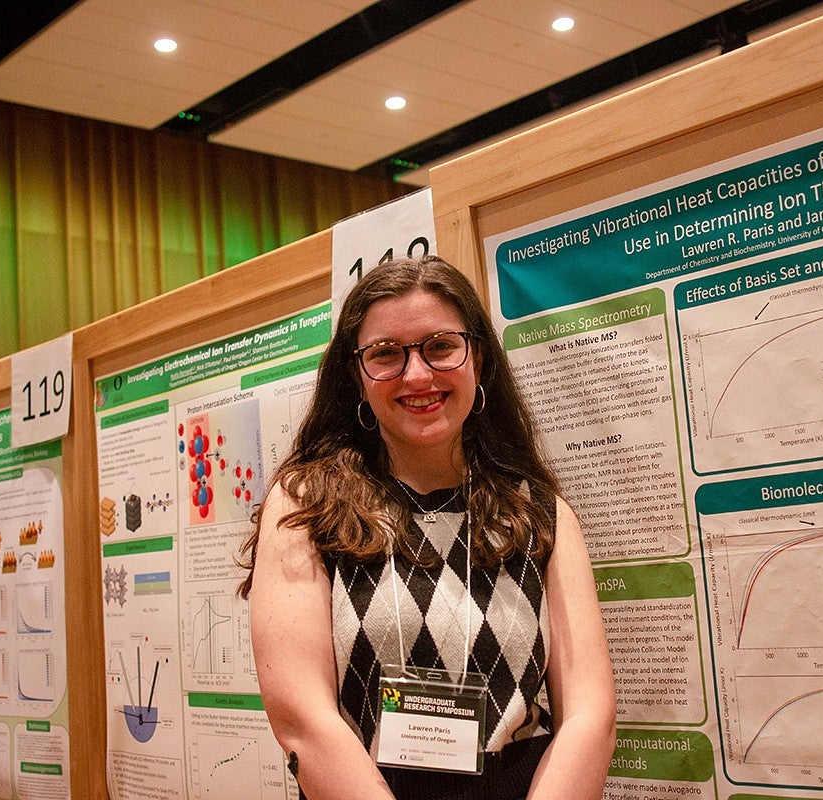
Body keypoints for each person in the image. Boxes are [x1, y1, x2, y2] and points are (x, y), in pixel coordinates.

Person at [240, 256, 615, 799]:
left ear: (478, 357)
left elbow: (590, 714)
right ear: (356, 375)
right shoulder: (305, 506)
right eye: (386, 354)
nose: (417, 374)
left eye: (440, 346)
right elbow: (303, 720)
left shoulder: (539, 511)